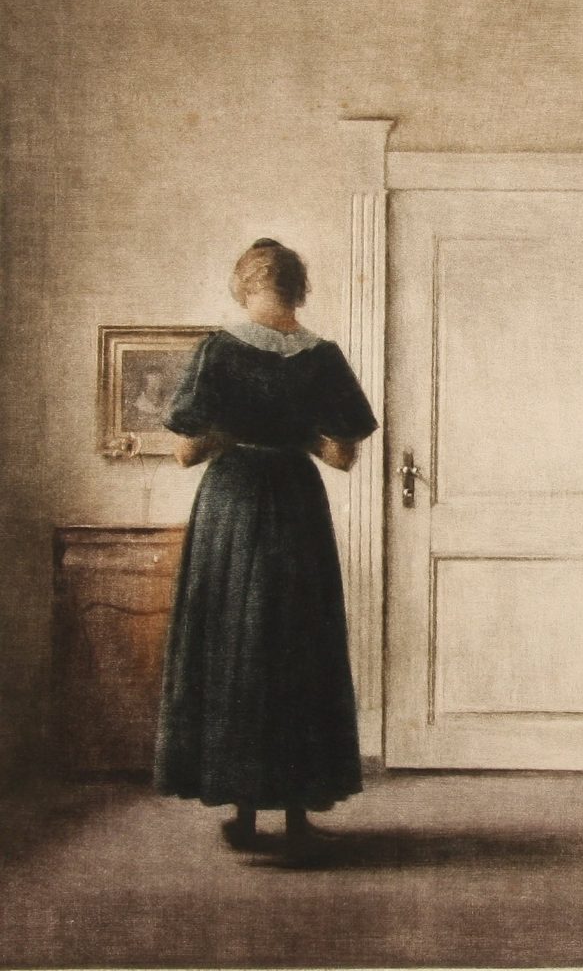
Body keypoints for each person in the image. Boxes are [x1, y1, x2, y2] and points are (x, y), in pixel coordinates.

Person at [154, 238, 378, 853]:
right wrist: (296, 434)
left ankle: (245, 814)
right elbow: (341, 456)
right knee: (298, 645)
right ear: (298, 288)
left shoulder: (218, 350)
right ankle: (299, 817)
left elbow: (185, 453)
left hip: (233, 507)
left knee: (235, 641)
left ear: (245, 284)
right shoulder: (322, 356)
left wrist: (232, 433)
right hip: (296, 508)